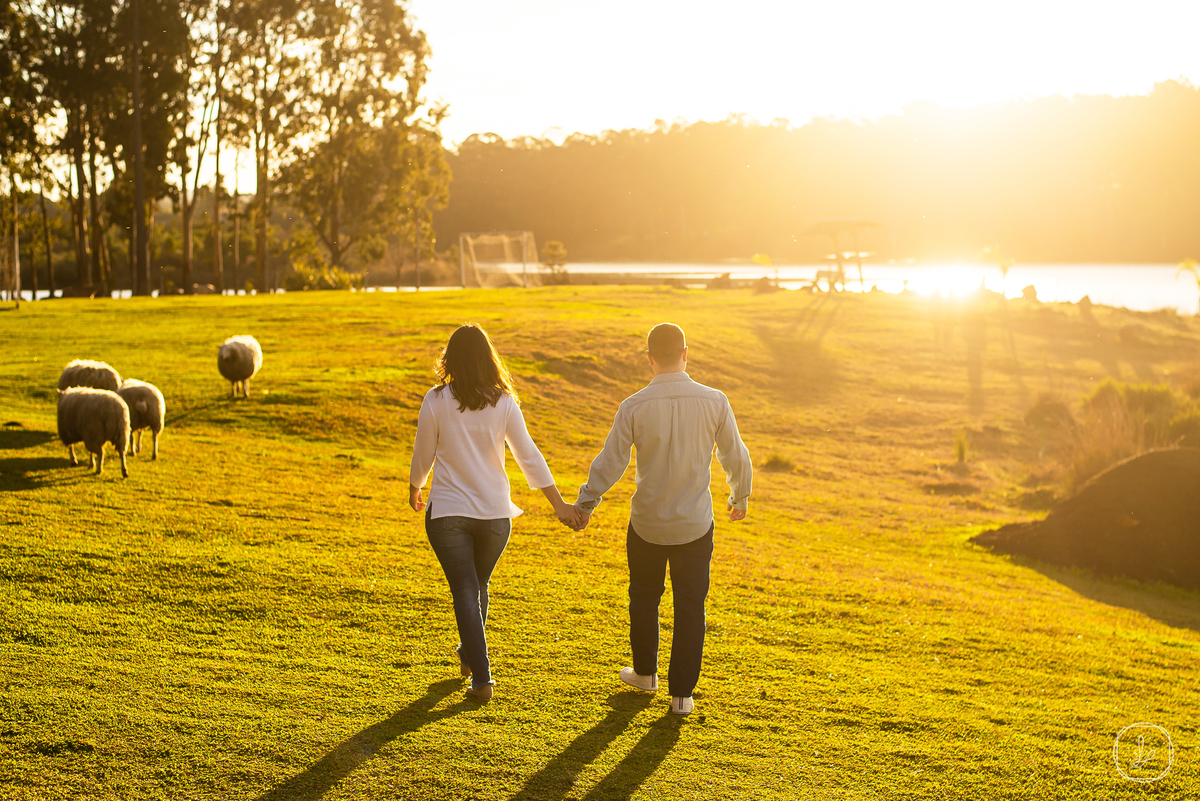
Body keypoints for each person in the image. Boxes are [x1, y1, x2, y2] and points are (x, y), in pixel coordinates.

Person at [573, 323, 752, 715]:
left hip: (647, 525)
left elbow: (611, 462)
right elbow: (736, 456)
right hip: (695, 524)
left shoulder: (634, 405)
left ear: (650, 359)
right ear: (686, 353)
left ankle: (644, 673)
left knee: (644, 598)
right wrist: (739, 496)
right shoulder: (715, 401)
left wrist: (586, 503)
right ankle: (682, 696)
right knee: (690, 607)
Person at [409, 323, 581, 701]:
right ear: (489, 358)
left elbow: (424, 450)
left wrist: (416, 485)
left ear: (449, 359)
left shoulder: (436, 400)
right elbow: (529, 457)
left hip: (449, 514)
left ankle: (482, 680)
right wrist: (559, 505)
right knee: (476, 588)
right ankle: (470, 656)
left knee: (466, 592)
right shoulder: (503, 401)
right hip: (494, 517)